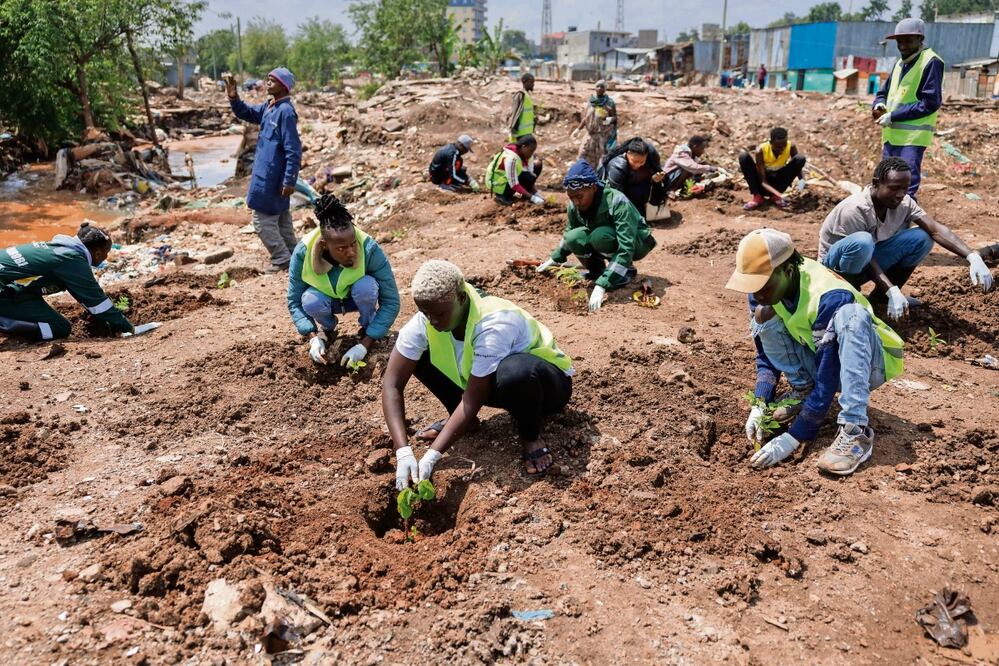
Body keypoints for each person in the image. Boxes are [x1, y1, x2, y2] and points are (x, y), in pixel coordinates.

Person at [726, 228, 906, 476]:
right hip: (823, 354)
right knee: (763, 317)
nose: (757, 293)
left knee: (850, 315)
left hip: (870, 364)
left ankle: (855, 431)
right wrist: (760, 402)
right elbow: (765, 354)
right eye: (752, 284)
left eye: (761, 285)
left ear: (788, 271)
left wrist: (797, 434)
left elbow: (828, 373)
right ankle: (803, 391)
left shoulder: (828, 295)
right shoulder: (764, 288)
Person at [383, 260, 573, 483]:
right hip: (488, 384)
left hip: (545, 388)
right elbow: (392, 383)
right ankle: (465, 423)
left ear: (461, 298)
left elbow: (473, 399)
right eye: (426, 313)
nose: (433, 321)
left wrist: (433, 455)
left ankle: (531, 437)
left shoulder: (492, 322)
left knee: (516, 372)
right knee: (416, 356)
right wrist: (402, 450)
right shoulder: (425, 321)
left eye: (440, 314)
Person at [819, 157, 993, 320]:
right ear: (876, 183)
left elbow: (934, 229)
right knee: (863, 242)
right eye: (894, 188)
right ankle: (846, 299)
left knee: (922, 237)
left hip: (866, 260)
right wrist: (891, 290)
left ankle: (881, 299)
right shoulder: (854, 209)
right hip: (833, 272)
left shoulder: (904, 203)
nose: (900, 194)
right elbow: (865, 255)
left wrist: (972, 256)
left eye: (905, 188)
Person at [287, 194, 400, 367]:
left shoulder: (369, 248)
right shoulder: (303, 252)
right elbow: (294, 302)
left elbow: (391, 301)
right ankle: (327, 330)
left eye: (353, 244)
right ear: (325, 245)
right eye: (341, 248)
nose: (351, 252)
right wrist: (312, 338)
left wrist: (365, 345)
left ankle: (366, 327)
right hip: (326, 303)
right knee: (310, 300)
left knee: (366, 286)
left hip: (358, 298)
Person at [536, 160, 656, 312]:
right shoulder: (574, 204)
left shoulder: (617, 201)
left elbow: (627, 246)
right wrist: (555, 258)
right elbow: (570, 232)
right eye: (571, 197)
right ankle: (596, 272)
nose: (575, 202)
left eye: (579, 197)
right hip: (609, 236)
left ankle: (625, 271)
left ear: (593, 187)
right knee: (574, 236)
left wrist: (602, 285)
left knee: (600, 236)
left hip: (637, 242)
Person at [225, 67, 302, 272]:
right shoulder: (269, 107)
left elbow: (293, 150)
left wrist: (289, 180)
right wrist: (233, 97)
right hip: (264, 175)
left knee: (261, 221)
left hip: (273, 178)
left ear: (284, 86)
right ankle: (294, 258)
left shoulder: (285, 112)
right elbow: (246, 112)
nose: (268, 83)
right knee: (283, 221)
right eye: (267, 80)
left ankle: (281, 258)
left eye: (273, 81)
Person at [0, 222, 133, 341]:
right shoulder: (72, 260)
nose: (106, 257)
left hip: (13, 287)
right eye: (106, 252)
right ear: (98, 253)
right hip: (4, 289)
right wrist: (128, 327)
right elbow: (97, 302)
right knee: (59, 328)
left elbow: (85, 298)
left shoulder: (58, 248)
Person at [872, 18, 943, 199]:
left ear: (920, 39)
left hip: (912, 139)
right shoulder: (898, 65)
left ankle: (902, 226)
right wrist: (879, 105)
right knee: (885, 184)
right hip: (891, 138)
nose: (903, 46)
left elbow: (930, 103)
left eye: (908, 40)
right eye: (899, 41)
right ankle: (885, 226)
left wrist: (894, 115)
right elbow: (883, 93)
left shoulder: (931, 62)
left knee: (904, 188)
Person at [738, 127, 806, 211]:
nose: (782, 150)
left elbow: (798, 165)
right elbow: (763, 181)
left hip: (778, 182)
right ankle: (758, 197)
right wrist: (778, 194)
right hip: (762, 183)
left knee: (800, 158)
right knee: (744, 156)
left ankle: (775, 197)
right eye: (778, 147)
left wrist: (801, 180)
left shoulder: (791, 147)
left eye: (784, 146)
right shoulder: (761, 150)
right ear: (771, 143)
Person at [598, 137, 667, 219]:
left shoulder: (649, 161)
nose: (638, 165)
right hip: (614, 200)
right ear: (628, 153)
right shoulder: (618, 165)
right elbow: (615, 195)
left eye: (642, 162)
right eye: (635, 161)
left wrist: (655, 181)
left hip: (633, 198)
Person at [484, 134, 545, 206]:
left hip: (508, 178)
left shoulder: (527, 155)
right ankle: (502, 196)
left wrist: (535, 193)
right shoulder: (511, 158)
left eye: (533, 151)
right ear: (523, 147)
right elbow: (513, 184)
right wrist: (532, 198)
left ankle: (526, 193)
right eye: (530, 151)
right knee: (525, 178)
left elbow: (530, 176)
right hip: (497, 182)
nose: (531, 154)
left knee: (532, 173)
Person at [572, 80, 617, 168]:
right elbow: (586, 118)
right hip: (590, 136)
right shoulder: (591, 101)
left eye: (602, 87)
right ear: (595, 88)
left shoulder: (609, 102)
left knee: (601, 160)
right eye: (598, 86)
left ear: (605, 89)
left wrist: (609, 119)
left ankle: (598, 179)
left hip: (602, 136)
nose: (600, 88)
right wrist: (578, 129)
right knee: (583, 154)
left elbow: (615, 117)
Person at [507, 73, 536, 142]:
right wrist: (513, 131)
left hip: (527, 133)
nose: (533, 84)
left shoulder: (527, 95)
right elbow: (514, 113)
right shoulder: (520, 95)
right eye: (531, 82)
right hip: (520, 134)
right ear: (524, 82)